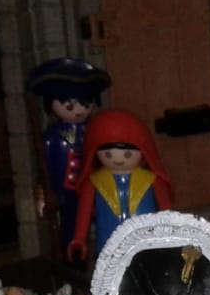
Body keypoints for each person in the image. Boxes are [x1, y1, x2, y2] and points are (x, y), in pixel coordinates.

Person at [25, 57, 110, 250]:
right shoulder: (52, 136)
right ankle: (73, 253)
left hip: (94, 185)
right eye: (69, 106)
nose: (79, 111)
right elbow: (45, 166)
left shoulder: (94, 130)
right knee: (70, 225)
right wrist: (43, 194)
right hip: (65, 191)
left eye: (85, 104)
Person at [68, 108, 173, 263]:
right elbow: (84, 213)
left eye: (128, 154)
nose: (118, 159)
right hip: (108, 248)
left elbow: (167, 211)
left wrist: (172, 234)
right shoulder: (94, 182)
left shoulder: (152, 180)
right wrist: (79, 240)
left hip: (146, 245)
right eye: (108, 154)